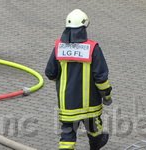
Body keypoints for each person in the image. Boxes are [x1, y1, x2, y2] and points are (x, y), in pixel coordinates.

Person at [45, 9, 112, 150]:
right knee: (95, 130)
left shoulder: (59, 47)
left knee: (67, 135)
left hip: (67, 104)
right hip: (90, 104)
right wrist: (107, 96)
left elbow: (50, 73)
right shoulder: (93, 48)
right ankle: (96, 145)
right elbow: (101, 78)